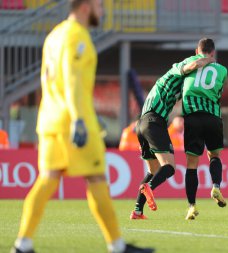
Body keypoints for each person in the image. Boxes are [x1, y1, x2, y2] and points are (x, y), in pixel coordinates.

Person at [11, 1, 154, 253]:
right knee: (97, 178)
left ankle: (23, 244)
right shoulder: (78, 35)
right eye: (99, 5)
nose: (102, 10)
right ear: (85, 6)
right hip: (73, 121)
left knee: (47, 179)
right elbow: (72, 79)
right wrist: (78, 119)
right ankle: (117, 246)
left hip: (50, 120)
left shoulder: (55, 35)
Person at [129, 51, 214, 220]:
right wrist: (209, 59)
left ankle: (137, 211)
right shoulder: (177, 69)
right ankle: (149, 187)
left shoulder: (177, 84)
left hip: (143, 123)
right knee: (169, 167)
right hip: (154, 121)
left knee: (152, 170)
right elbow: (192, 65)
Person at [181, 38, 228, 220]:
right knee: (214, 155)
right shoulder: (222, 70)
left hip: (193, 116)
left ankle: (192, 206)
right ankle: (216, 186)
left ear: (196, 51)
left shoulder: (188, 62)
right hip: (213, 117)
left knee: (192, 164)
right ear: (213, 52)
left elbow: (184, 71)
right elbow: (218, 93)